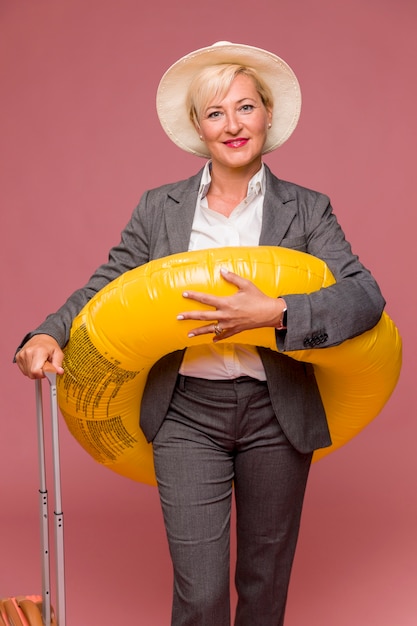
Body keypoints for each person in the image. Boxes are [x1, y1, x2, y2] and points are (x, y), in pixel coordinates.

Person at [15, 42, 385, 625]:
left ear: (267, 114)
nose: (233, 125)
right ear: (198, 126)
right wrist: (44, 333)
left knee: (265, 585)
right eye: (216, 113)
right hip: (187, 413)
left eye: (245, 107)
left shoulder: (309, 210)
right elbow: (107, 286)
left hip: (277, 409)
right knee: (202, 592)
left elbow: (364, 298)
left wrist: (278, 312)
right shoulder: (159, 209)